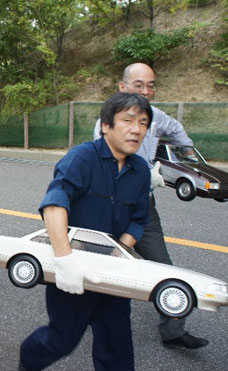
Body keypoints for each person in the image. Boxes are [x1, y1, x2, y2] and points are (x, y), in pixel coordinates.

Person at [20, 92, 152, 371]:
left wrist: (119, 254)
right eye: (127, 120)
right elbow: (55, 203)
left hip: (112, 274)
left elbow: (138, 220)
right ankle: (27, 362)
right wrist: (65, 259)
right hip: (74, 267)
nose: (136, 129)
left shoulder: (141, 171)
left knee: (117, 347)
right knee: (61, 340)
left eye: (142, 123)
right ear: (106, 125)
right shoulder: (82, 157)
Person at [92, 62, 208, 349]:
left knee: (163, 267)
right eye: (138, 84)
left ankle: (173, 329)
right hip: (108, 208)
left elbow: (179, 133)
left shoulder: (157, 117)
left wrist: (186, 161)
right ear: (122, 87)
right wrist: (145, 172)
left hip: (143, 208)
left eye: (151, 85)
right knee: (103, 267)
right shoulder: (107, 122)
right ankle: (89, 323)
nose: (146, 91)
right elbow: (107, 162)